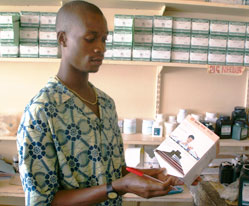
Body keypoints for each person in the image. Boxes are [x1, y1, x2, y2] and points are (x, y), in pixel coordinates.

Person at [17, 1, 184, 206]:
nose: (100, 48)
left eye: (104, 39)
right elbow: (42, 202)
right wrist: (117, 188)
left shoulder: (105, 103)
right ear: (63, 39)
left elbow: (112, 171)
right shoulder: (41, 111)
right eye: (90, 39)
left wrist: (150, 175)